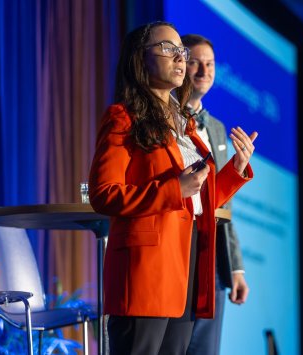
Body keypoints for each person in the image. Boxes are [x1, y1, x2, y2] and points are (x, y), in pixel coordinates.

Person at [88, 21, 258, 354]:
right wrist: (172, 189)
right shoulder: (123, 117)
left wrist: (236, 168)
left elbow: (200, 199)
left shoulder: (186, 126)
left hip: (188, 263)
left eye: (182, 51)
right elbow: (103, 193)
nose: (180, 58)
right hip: (146, 269)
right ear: (140, 58)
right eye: (169, 49)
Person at [181, 34, 249, 355]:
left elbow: (223, 204)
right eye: (195, 62)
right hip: (179, 252)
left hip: (213, 261)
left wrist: (235, 268)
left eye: (210, 64)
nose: (203, 71)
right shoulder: (164, 119)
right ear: (180, 65)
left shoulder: (218, 128)